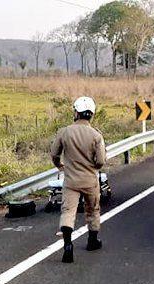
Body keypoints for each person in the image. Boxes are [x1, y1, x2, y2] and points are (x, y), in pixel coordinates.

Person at [50, 96, 107, 264]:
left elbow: (54, 153)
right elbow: (101, 160)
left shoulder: (64, 132)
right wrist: (94, 167)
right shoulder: (96, 135)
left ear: (76, 112)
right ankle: (92, 241)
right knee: (92, 210)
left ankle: (68, 244)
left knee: (68, 212)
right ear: (91, 114)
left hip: (71, 180)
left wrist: (60, 166)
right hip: (90, 180)